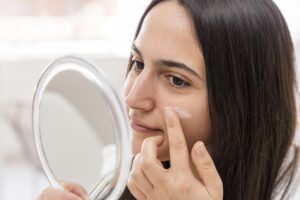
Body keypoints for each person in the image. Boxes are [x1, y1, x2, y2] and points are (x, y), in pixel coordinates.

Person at [38, 0, 300, 199]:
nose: (132, 97)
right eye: (138, 63)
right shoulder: (115, 168)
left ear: (243, 99)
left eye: (176, 80)